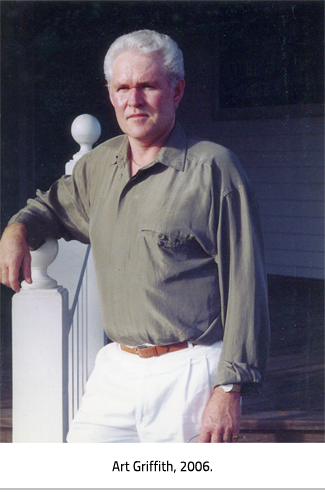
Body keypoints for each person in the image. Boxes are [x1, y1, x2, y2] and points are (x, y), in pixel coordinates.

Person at [0, 29, 270, 443]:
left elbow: (246, 285)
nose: (133, 100)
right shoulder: (99, 165)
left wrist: (228, 388)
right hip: (116, 369)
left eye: (147, 86)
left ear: (177, 90)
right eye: (123, 87)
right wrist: (18, 228)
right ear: (110, 94)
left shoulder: (214, 169)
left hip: (190, 371)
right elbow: (50, 206)